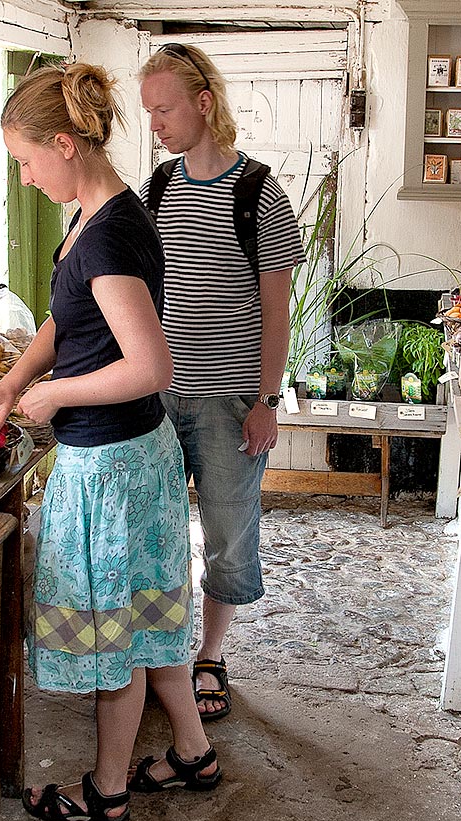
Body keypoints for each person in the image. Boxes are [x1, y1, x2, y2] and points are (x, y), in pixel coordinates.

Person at [0, 62, 219, 821]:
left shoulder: (105, 239)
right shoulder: (100, 216)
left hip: (114, 467)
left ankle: (106, 792)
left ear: (65, 145)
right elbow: (68, 323)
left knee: (114, 642)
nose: (27, 179)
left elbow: (150, 365)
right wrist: (11, 382)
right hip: (132, 456)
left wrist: (55, 395)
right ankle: (192, 753)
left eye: (27, 162)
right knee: (147, 618)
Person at [138, 43, 305, 721]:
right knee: (157, 529)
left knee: (229, 531)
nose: (155, 123)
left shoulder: (258, 191)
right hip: (157, 397)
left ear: (203, 104)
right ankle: (164, 654)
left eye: (165, 108)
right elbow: (144, 294)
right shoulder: (156, 189)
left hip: (231, 398)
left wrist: (266, 401)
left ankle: (210, 654)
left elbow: (276, 309)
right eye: (148, 111)